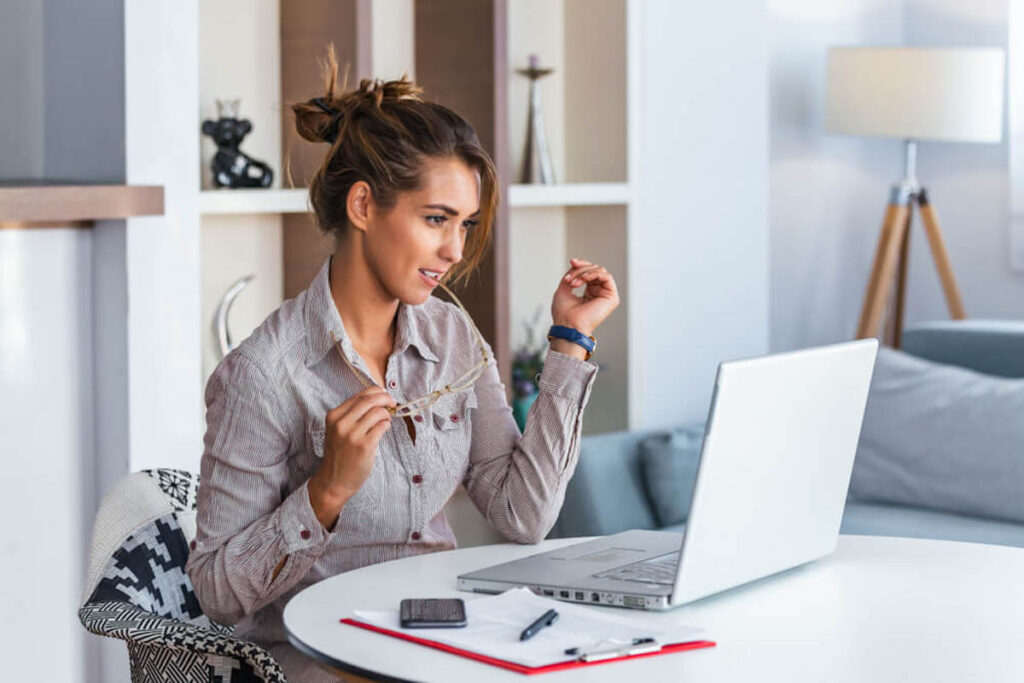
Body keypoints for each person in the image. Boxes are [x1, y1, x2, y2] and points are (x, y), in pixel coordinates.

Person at [185, 50, 619, 682]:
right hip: (314, 659)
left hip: (437, 638)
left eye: (465, 224)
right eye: (436, 219)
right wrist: (326, 492)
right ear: (363, 207)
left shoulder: (453, 337)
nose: (454, 249)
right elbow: (214, 594)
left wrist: (569, 342)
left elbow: (523, 514)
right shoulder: (266, 374)